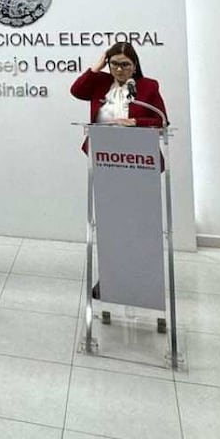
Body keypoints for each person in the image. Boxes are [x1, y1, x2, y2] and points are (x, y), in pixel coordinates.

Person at [70, 41, 167, 301]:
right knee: (110, 223)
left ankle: (142, 276)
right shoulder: (100, 83)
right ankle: (111, 276)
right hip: (105, 161)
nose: (120, 69)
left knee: (137, 224)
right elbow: (76, 90)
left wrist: (134, 121)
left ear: (135, 65)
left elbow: (160, 120)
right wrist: (98, 63)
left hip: (138, 164)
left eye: (125, 64)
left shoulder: (147, 87)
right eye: (115, 64)